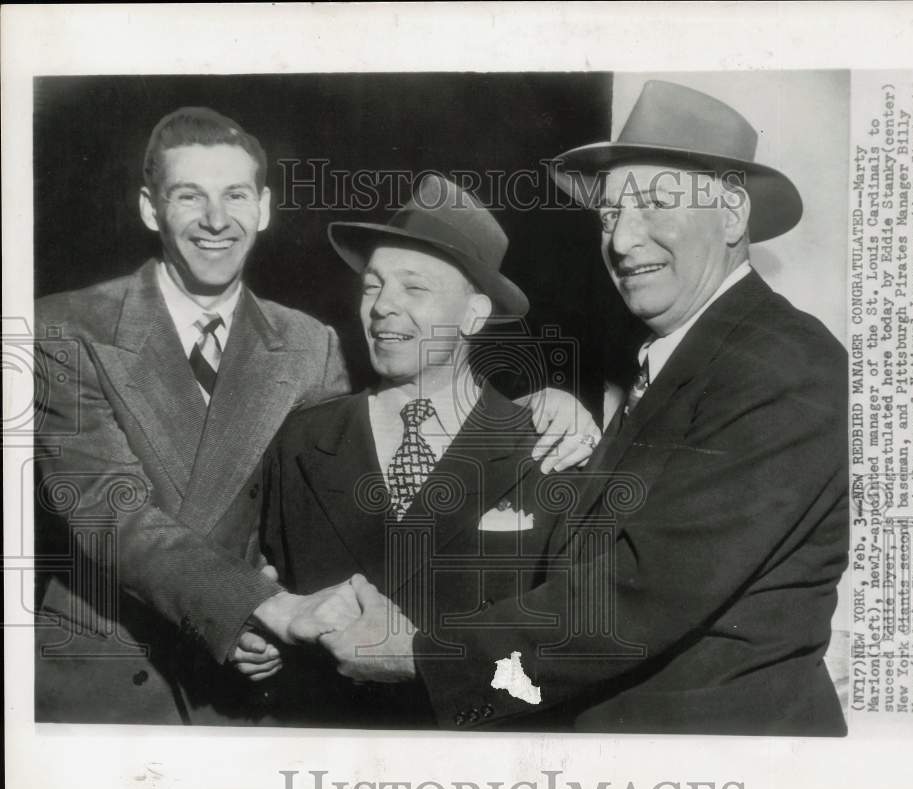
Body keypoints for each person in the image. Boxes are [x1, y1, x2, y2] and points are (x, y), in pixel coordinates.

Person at [315, 81, 850, 736]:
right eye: (607, 215)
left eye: (654, 204)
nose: (623, 241)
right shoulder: (683, 360)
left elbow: (645, 590)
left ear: (733, 213)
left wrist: (422, 654)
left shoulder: (781, 362)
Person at [33, 108, 594, 725]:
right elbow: (110, 507)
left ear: (264, 207)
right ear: (149, 208)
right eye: (190, 195)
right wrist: (260, 608)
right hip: (111, 685)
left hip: (268, 706)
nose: (216, 219)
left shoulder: (309, 345)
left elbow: (306, 515)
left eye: (236, 195)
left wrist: (538, 409)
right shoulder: (64, 328)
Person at [254, 174, 570, 728]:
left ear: (474, 314)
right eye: (373, 285)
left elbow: (567, 652)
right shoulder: (303, 439)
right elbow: (265, 578)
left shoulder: (547, 446)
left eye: (414, 287)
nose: (382, 306)